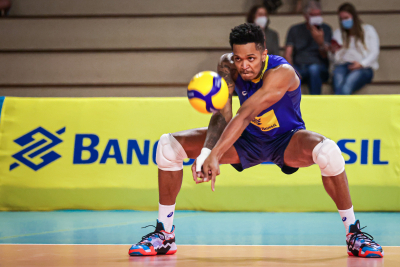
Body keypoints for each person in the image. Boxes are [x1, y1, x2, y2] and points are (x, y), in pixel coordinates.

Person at [128, 23, 383, 258]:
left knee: (329, 152)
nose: (244, 66)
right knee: (168, 146)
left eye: (251, 58)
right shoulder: (227, 66)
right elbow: (222, 115)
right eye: (239, 59)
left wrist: (216, 154)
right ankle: (165, 234)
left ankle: (354, 233)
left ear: (264, 54)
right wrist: (206, 152)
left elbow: (246, 112)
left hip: (286, 139)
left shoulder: (281, 72)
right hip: (246, 140)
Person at [331, 3, 379, 95]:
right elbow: (335, 60)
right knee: (338, 81)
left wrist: (361, 64)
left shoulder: (368, 30)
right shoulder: (338, 33)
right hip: (343, 65)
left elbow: (374, 52)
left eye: (346, 18)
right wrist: (333, 52)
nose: (344, 21)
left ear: (353, 16)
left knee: (347, 84)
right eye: (341, 19)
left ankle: (340, 108)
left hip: (364, 68)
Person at [285, 0, 331, 95]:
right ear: (306, 16)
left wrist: (321, 42)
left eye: (318, 15)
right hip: (299, 66)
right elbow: (288, 53)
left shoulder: (326, 29)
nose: (316, 18)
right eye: (313, 15)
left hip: (318, 67)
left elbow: (326, 56)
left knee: (314, 70)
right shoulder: (294, 29)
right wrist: (292, 70)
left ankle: (316, 103)